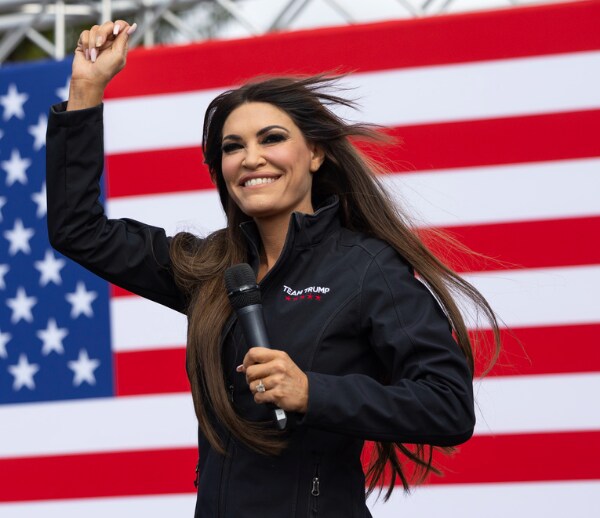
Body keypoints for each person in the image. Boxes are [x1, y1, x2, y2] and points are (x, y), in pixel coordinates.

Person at [46, 20, 500, 518]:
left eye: (272, 138)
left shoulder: (366, 268)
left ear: (316, 154)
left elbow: (447, 406)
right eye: (232, 147)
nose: (251, 158)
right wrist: (85, 90)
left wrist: (311, 391)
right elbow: (78, 229)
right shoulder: (209, 267)